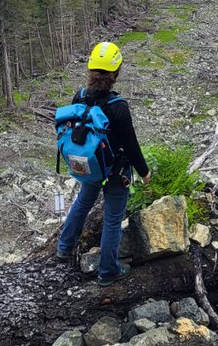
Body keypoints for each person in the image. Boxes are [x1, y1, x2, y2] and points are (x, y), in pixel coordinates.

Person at [56, 41, 151, 286]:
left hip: (89, 167)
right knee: (112, 220)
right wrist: (144, 171)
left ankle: (64, 248)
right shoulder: (118, 106)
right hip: (116, 171)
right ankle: (108, 271)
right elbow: (131, 145)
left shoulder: (80, 96)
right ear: (116, 72)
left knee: (82, 203)